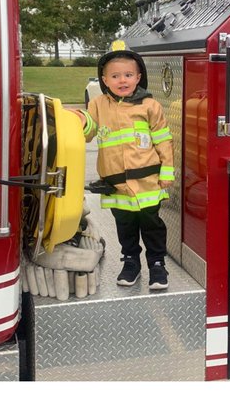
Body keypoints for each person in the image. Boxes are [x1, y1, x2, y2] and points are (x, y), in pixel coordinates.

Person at [74, 47, 174, 291]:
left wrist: (167, 171)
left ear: (138, 77)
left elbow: (163, 140)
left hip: (149, 182)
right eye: (115, 76)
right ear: (104, 80)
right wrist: (79, 119)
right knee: (125, 225)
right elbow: (88, 134)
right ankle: (131, 262)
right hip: (117, 185)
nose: (122, 80)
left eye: (128, 75)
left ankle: (157, 264)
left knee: (152, 225)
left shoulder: (150, 106)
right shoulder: (98, 105)